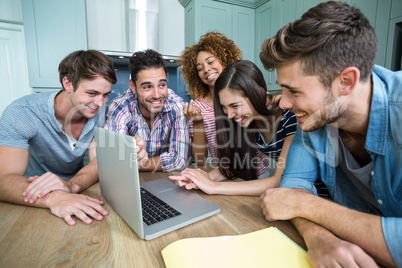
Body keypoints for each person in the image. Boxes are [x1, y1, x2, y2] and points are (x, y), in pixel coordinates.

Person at [258, 1, 402, 267]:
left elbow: (297, 201)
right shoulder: (316, 118)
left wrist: (311, 207)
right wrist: (318, 236)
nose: (285, 104)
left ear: (345, 81)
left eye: (294, 91)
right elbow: (292, 190)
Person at [0, 49, 124, 226]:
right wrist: (54, 197)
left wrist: (70, 186)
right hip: (30, 196)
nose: (100, 103)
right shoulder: (22, 112)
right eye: (91, 93)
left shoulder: (104, 113)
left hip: (79, 190)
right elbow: (4, 180)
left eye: (105, 95)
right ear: (68, 84)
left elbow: (99, 163)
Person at [170, 60, 297, 196]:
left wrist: (213, 186)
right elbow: (234, 166)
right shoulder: (250, 118)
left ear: (258, 93)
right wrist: (198, 180)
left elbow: (278, 181)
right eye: (224, 107)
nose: (230, 115)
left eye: (235, 106)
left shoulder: (291, 114)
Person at [105, 49, 190, 172]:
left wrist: (138, 163)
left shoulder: (177, 106)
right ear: (133, 86)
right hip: (130, 181)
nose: (156, 95)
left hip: (164, 180)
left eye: (162, 85)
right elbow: (115, 160)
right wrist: (124, 161)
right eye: (147, 87)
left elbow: (179, 160)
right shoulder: (119, 107)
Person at [179, 32, 242, 166]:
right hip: (223, 175)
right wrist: (197, 122)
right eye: (200, 68)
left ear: (225, 60)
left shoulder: (244, 93)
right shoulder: (197, 108)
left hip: (257, 172)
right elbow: (200, 159)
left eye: (211, 62)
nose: (206, 69)